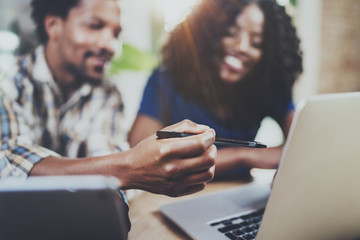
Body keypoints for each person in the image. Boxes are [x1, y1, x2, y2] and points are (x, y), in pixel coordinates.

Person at [0, 0, 217, 198]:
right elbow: (10, 163)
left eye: (115, 34)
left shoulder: (107, 94)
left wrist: (125, 172)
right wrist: (131, 166)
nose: (110, 46)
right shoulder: (8, 83)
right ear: (53, 26)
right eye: (95, 26)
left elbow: (107, 159)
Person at [129, 0, 303, 178]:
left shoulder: (268, 87)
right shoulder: (166, 80)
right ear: (206, 34)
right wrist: (242, 156)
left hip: (239, 195)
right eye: (230, 33)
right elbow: (140, 158)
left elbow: (304, 145)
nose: (242, 47)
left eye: (256, 43)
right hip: (174, 198)